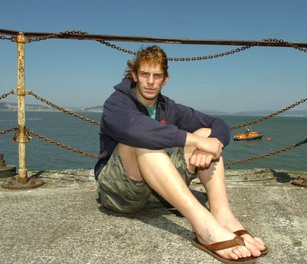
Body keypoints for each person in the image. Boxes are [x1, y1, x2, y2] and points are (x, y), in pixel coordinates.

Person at [94, 45, 267, 263]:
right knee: (144, 140)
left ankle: (223, 215)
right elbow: (133, 129)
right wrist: (196, 141)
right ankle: (205, 228)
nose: (150, 81)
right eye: (145, 74)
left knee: (206, 132)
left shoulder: (169, 107)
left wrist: (214, 143)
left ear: (165, 79)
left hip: (157, 194)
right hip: (121, 194)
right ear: (134, 75)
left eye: (157, 76)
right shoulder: (116, 103)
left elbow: (217, 123)